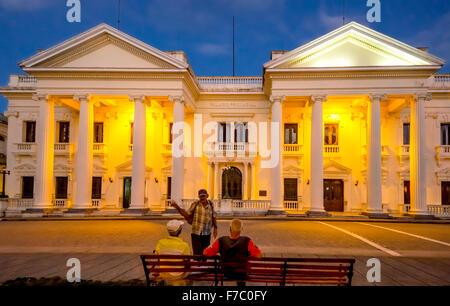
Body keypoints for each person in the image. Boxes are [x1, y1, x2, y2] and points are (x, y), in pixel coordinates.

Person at [203, 219, 262, 285]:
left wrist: (211, 247)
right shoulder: (247, 241)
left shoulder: (221, 240)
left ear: (230, 228)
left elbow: (205, 253)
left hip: (226, 273)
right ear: (241, 229)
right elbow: (259, 255)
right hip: (241, 274)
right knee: (242, 270)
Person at [171, 189, 218, 256]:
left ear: (207, 196)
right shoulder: (195, 204)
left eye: (203, 196)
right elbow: (186, 214)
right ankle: (197, 265)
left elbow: (214, 216)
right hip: (196, 233)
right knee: (196, 255)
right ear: (198, 197)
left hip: (207, 233)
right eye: (200, 196)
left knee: (205, 254)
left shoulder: (211, 204)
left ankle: (204, 265)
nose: (202, 198)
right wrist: (176, 207)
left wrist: (215, 228)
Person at [154, 219, 190, 285]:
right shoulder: (184, 245)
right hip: (179, 275)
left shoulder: (160, 242)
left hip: (164, 273)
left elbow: (158, 257)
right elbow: (187, 263)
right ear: (180, 231)